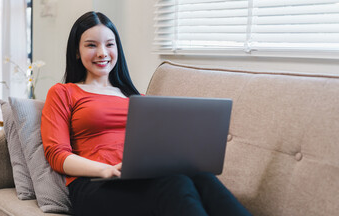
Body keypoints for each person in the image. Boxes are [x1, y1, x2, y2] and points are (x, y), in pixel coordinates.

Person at [41, 11, 251, 216]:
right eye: (91, 45)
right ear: (77, 51)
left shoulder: (137, 98)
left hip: (142, 179)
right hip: (94, 184)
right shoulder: (63, 92)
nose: (102, 53)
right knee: (175, 185)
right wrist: (105, 169)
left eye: (109, 44)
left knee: (202, 177)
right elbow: (57, 155)